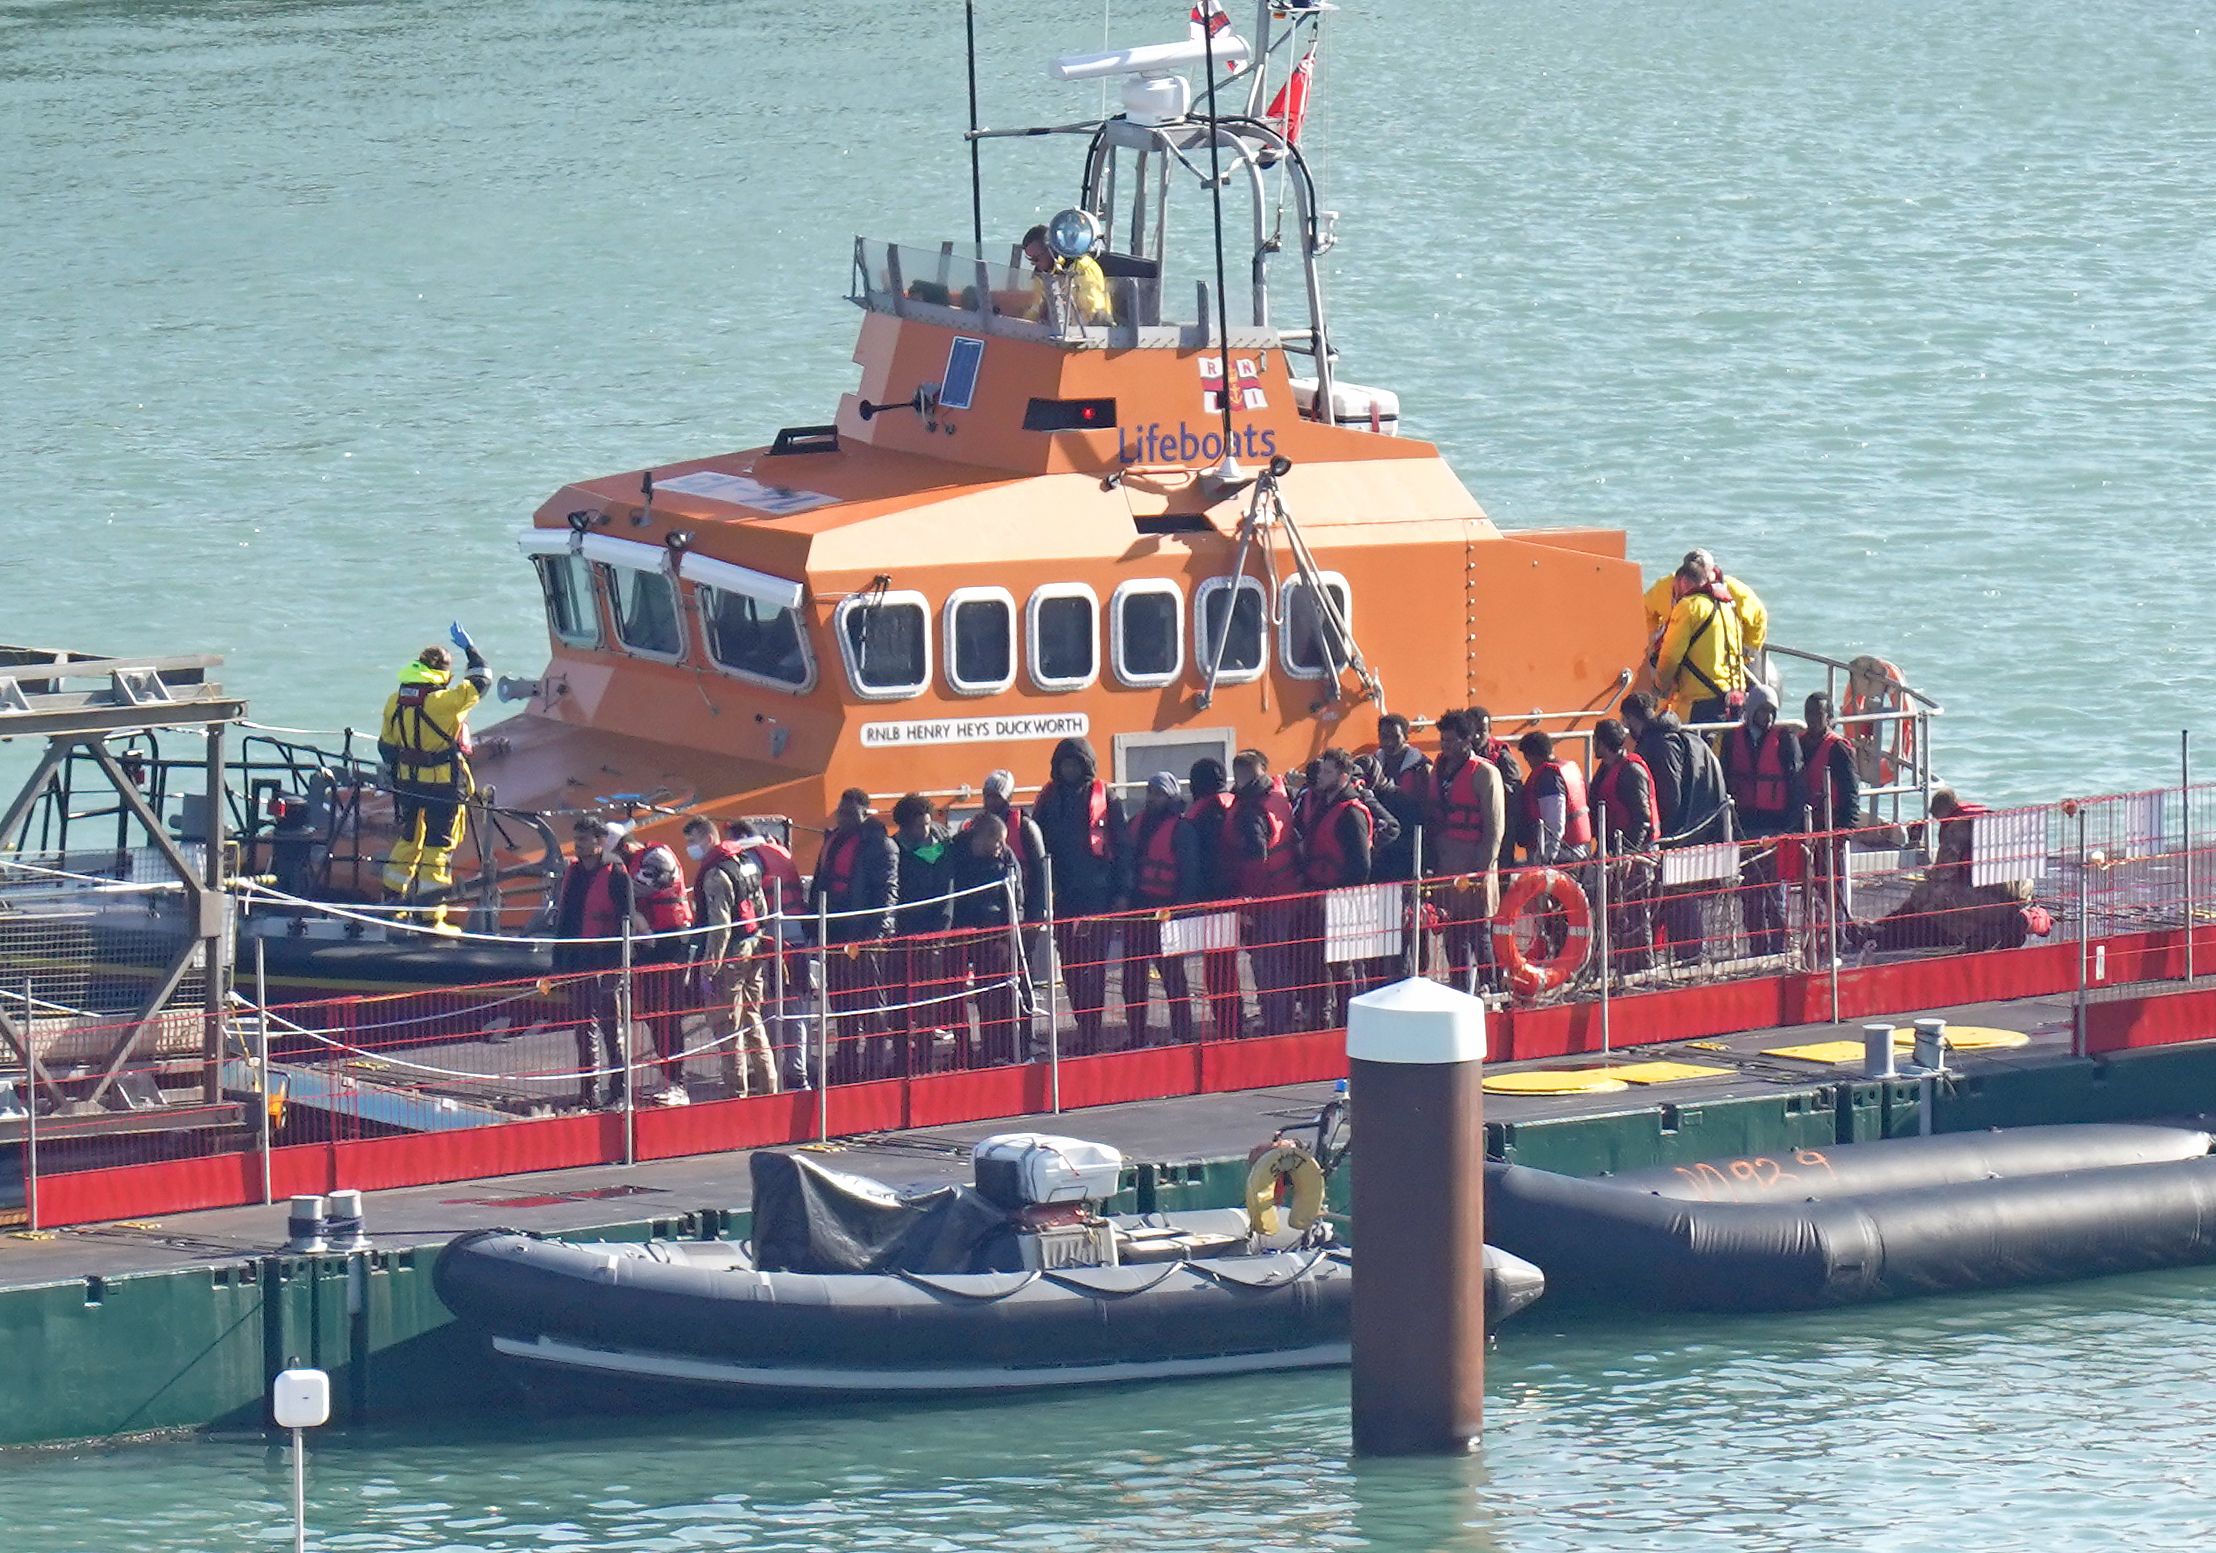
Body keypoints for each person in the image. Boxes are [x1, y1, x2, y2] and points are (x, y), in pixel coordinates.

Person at [376, 626, 491, 933]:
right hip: (442, 785)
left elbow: (385, 746)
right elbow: (482, 678)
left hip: (406, 783)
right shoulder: (447, 701)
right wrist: (470, 648)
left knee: (408, 840)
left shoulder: (394, 700)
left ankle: (391, 906)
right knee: (438, 848)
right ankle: (430, 917)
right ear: (443, 672)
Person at [1855, 788, 2041, 955]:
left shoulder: (1957, 827)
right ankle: (1997, 927)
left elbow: (1943, 872)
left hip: (1993, 902)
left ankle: (1973, 934)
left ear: (1941, 814)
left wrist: (1927, 875)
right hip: (2022, 897)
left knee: (1928, 893)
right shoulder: (1989, 816)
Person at [1622, 691, 1734, 966]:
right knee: (1679, 897)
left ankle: (1689, 957)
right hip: (1695, 828)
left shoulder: (1658, 745)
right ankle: (1687, 955)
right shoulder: (1679, 739)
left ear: (1632, 720)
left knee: (1679, 896)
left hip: (1677, 836)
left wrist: (1659, 834)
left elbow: (1669, 796)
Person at [1030, 738, 1128, 1053]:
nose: (1068, 769)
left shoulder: (1107, 797)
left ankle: (1094, 1030)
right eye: (1064, 764)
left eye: (1073, 763)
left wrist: (1121, 892)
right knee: (1071, 965)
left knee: (1094, 965)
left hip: (1097, 895)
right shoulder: (1047, 799)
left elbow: (1123, 847)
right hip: (1064, 894)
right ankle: (1082, 1027)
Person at [810, 788, 899, 1081]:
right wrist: (814, 927)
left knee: (871, 1003)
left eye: (850, 812)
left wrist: (878, 934)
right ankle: (847, 1063)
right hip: (835, 934)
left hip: (865, 936)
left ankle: (875, 1064)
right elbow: (819, 884)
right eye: (841, 811)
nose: (844, 817)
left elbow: (888, 892)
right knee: (841, 1003)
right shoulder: (833, 840)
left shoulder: (879, 845)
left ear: (864, 813)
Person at [683, 817, 775, 1099]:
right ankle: (769, 1086)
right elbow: (760, 908)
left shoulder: (715, 875)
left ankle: (736, 1094)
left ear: (707, 838)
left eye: (692, 841)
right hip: (753, 947)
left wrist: (711, 966)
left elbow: (720, 926)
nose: (690, 848)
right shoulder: (747, 862)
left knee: (727, 1026)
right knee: (752, 1018)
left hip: (731, 955)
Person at [1418, 712, 1506, 993]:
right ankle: (1458, 992)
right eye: (1443, 740)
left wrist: (1481, 872)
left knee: (1479, 934)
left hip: (1473, 867)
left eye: (1452, 740)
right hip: (1446, 867)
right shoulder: (1439, 771)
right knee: (1452, 936)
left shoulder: (1485, 773)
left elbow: (1495, 830)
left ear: (1468, 740)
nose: (1446, 746)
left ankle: (1491, 990)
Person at [1297, 748, 1382, 1023]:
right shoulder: (1324, 804)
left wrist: (1337, 897)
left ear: (1343, 776)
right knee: (1315, 961)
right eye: (1322, 771)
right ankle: (1321, 1017)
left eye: (1328, 772)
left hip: (1339, 899)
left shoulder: (1351, 813)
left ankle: (1348, 1020)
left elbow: (1361, 865)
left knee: (1342, 964)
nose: (1321, 776)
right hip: (1317, 892)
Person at [549, 816, 628, 1110]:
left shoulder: (617, 872)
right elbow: (566, 917)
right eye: (576, 839)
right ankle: (588, 1092)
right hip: (580, 957)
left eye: (583, 840)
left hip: (606, 959)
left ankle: (618, 1088)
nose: (578, 845)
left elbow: (626, 918)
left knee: (611, 1027)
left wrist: (620, 965)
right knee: (584, 1027)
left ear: (598, 841)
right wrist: (559, 961)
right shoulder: (574, 872)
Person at [1722, 684, 1805, 959]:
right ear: (1752, 711)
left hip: (1775, 827)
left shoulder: (1786, 741)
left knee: (1775, 892)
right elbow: (1725, 781)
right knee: (1750, 894)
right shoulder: (1733, 740)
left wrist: (1789, 828)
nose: (1768, 717)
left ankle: (1780, 946)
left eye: (1772, 712)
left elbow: (1795, 786)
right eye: (1763, 711)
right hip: (1745, 825)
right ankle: (1757, 947)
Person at [727, 819, 809, 1089]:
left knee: (775, 1005)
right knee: (797, 1003)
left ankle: (785, 1069)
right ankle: (798, 1066)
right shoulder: (780, 851)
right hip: (797, 936)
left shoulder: (750, 858)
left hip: (774, 939)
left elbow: (748, 899)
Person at [1122, 773, 1201, 1046]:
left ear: (1170, 796)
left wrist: (1180, 910)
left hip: (1166, 912)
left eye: (1158, 793)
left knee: (1173, 976)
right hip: (1138, 910)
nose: (1152, 798)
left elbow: (1189, 873)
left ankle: (1182, 1032)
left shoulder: (1182, 829)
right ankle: (1136, 1036)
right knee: (1132, 978)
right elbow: (1123, 862)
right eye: (1150, 792)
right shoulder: (1135, 824)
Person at [947, 812, 1028, 1066]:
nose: (1001, 847)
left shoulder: (1006, 858)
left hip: (994, 933)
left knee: (992, 994)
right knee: (953, 994)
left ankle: (994, 1048)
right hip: (959, 932)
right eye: (997, 842)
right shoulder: (955, 853)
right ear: (980, 838)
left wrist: (1009, 935)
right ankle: (962, 1048)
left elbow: (1017, 899)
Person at [1229, 748, 1301, 1031]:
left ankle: (1276, 1022)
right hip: (1288, 888)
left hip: (1266, 897)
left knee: (1266, 962)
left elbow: (1256, 858)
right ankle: (1282, 1016)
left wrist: (1248, 904)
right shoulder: (1278, 796)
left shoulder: (1250, 811)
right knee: (1279, 959)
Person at [970, 769, 1050, 1022]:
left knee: (1019, 975)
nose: (990, 801)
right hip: (989, 918)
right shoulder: (975, 827)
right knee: (989, 981)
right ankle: (995, 1034)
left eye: (996, 796)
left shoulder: (1025, 827)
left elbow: (1040, 874)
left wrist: (1035, 917)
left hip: (1021, 914)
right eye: (987, 795)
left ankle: (1023, 1034)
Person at [625, 837, 696, 1104]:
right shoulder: (630, 864)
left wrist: (617, 890)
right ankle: (667, 1078)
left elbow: (641, 888)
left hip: (669, 942)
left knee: (668, 1015)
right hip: (649, 945)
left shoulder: (657, 857)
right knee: (654, 1016)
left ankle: (677, 1082)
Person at [1588, 719, 1660, 975]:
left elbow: (1642, 817)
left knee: (1636, 912)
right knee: (1619, 915)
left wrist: (1630, 854)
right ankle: (1623, 966)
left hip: (1634, 855)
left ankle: (1643, 970)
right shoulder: (1607, 770)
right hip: (1613, 853)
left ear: (1603, 743)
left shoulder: (1630, 771)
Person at [890, 794, 954, 1075]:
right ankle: (903, 1058)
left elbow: (950, 893)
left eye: (928, 823)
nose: (925, 831)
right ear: (905, 827)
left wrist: (941, 933)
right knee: (900, 1002)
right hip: (904, 937)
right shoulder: (895, 849)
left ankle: (926, 1059)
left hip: (935, 936)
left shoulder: (943, 846)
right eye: (919, 826)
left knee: (929, 1002)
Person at [1653, 556, 1750, 727]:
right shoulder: (1728, 606)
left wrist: (1660, 685)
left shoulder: (1688, 607)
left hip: (1700, 704)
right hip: (1734, 700)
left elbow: (1670, 656)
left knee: (1697, 751)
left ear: (1682, 581)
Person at [1185, 756, 1243, 1038]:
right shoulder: (1234, 805)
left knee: (1218, 971)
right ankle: (1237, 1022)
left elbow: (1197, 861)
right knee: (1233, 967)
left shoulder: (1199, 815)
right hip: (1241, 892)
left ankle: (1228, 1026)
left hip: (1213, 899)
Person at [1801, 692, 1863, 945]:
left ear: (1829, 717)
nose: (1813, 719)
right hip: (1806, 824)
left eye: (1818, 714)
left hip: (1831, 825)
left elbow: (1851, 790)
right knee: (1808, 882)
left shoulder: (1838, 748)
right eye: (1809, 714)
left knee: (1832, 883)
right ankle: (1814, 931)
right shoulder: (1800, 742)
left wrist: (1846, 828)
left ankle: (1841, 931)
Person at [1642, 548, 1768, 663]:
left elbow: (1758, 616)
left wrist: (1745, 654)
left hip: (1718, 655)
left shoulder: (1733, 591)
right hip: (1677, 651)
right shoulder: (1665, 587)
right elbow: (1643, 610)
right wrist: (1651, 640)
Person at [1515, 730, 1592, 866]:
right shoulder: (1566, 769)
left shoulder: (1548, 778)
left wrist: (1548, 858)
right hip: (1577, 849)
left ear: (1532, 756)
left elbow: (1555, 822)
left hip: (1561, 856)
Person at [1368, 714, 1430, 880]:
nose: (1388, 742)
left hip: (1409, 837)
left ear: (1405, 736)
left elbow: (1427, 804)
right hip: (1381, 837)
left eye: (1395, 737)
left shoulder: (1421, 767)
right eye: (1384, 736)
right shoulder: (1373, 765)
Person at [1020, 223, 1113, 326]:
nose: (1033, 263)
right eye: (1030, 259)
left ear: (1052, 250)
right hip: (1057, 328)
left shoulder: (1082, 267)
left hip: (1093, 330)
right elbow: (1036, 307)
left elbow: (1092, 311)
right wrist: (1023, 325)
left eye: (1036, 259)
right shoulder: (1042, 273)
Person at [1467, 707, 1525, 870]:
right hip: (1468, 831)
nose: (1477, 736)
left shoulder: (1502, 757)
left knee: (1499, 874)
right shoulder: (1455, 758)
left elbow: (1515, 792)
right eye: (1472, 731)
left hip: (1499, 827)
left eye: (1482, 731)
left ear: (1490, 731)